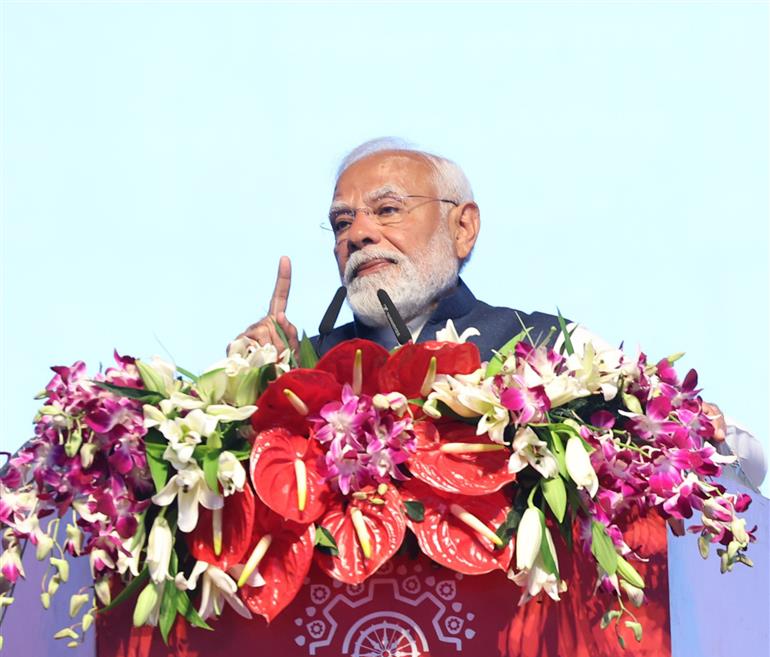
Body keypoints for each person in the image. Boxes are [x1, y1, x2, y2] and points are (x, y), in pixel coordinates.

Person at [234, 138, 766, 489]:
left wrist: (703, 433)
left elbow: (747, 458)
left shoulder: (542, 345)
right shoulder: (302, 368)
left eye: (387, 210)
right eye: (341, 222)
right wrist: (246, 388)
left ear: (463, 228)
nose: (358, 235)